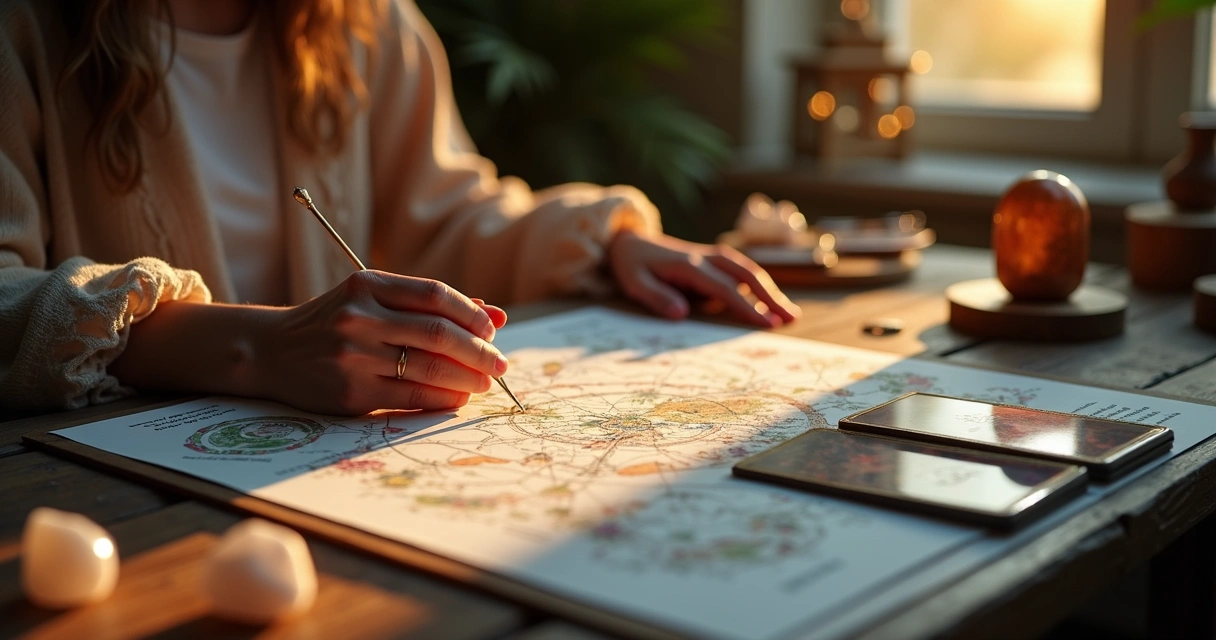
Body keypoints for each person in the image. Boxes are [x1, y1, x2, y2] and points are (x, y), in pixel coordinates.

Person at [0, 0, 800, 415]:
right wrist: (253, 349)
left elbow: (447, 220)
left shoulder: (366, 24)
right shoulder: (25, 30)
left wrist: (604, 244)